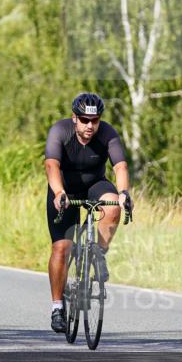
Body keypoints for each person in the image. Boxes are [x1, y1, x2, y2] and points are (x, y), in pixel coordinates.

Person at [44, 92, 132, 333]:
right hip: (64, 189)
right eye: (84, 120)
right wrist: (59, 192)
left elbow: (120, 166)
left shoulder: (107, 133)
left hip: (95, 184)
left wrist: (124, 192)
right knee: (61, 248)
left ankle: (97, 252)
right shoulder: (60, 131)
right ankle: (57, 307)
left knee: (112, 204)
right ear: (75, 118)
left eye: (94, 120)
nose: (90, 126)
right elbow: (51, 165)